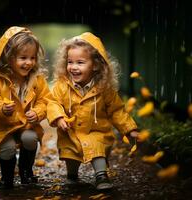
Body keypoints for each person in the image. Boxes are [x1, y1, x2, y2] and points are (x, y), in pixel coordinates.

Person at [47, 32, 139, 190]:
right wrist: (59, 118)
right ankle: (72, 176)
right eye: (70, 62)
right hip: (71, 129)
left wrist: (129, 130)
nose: (73, 67)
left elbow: (117, 111)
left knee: (98, 148)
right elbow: (53, 103)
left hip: (96, 129)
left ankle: (101, 175)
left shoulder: (104, 89)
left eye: (80, 62)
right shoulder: (62, 87)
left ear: (95, 65)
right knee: (71, 152)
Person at [0, 26, 52, 189]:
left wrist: (37, 112)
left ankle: (26, 171)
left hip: (26, 124)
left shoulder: (37, 80)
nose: (29, 63)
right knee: (8, 148)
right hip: (4, 126)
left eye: (32, 57)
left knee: (30, 138)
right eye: (23, 58)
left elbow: (46, 100)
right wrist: (1, 108)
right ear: (8, 58)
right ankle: (7, 178)